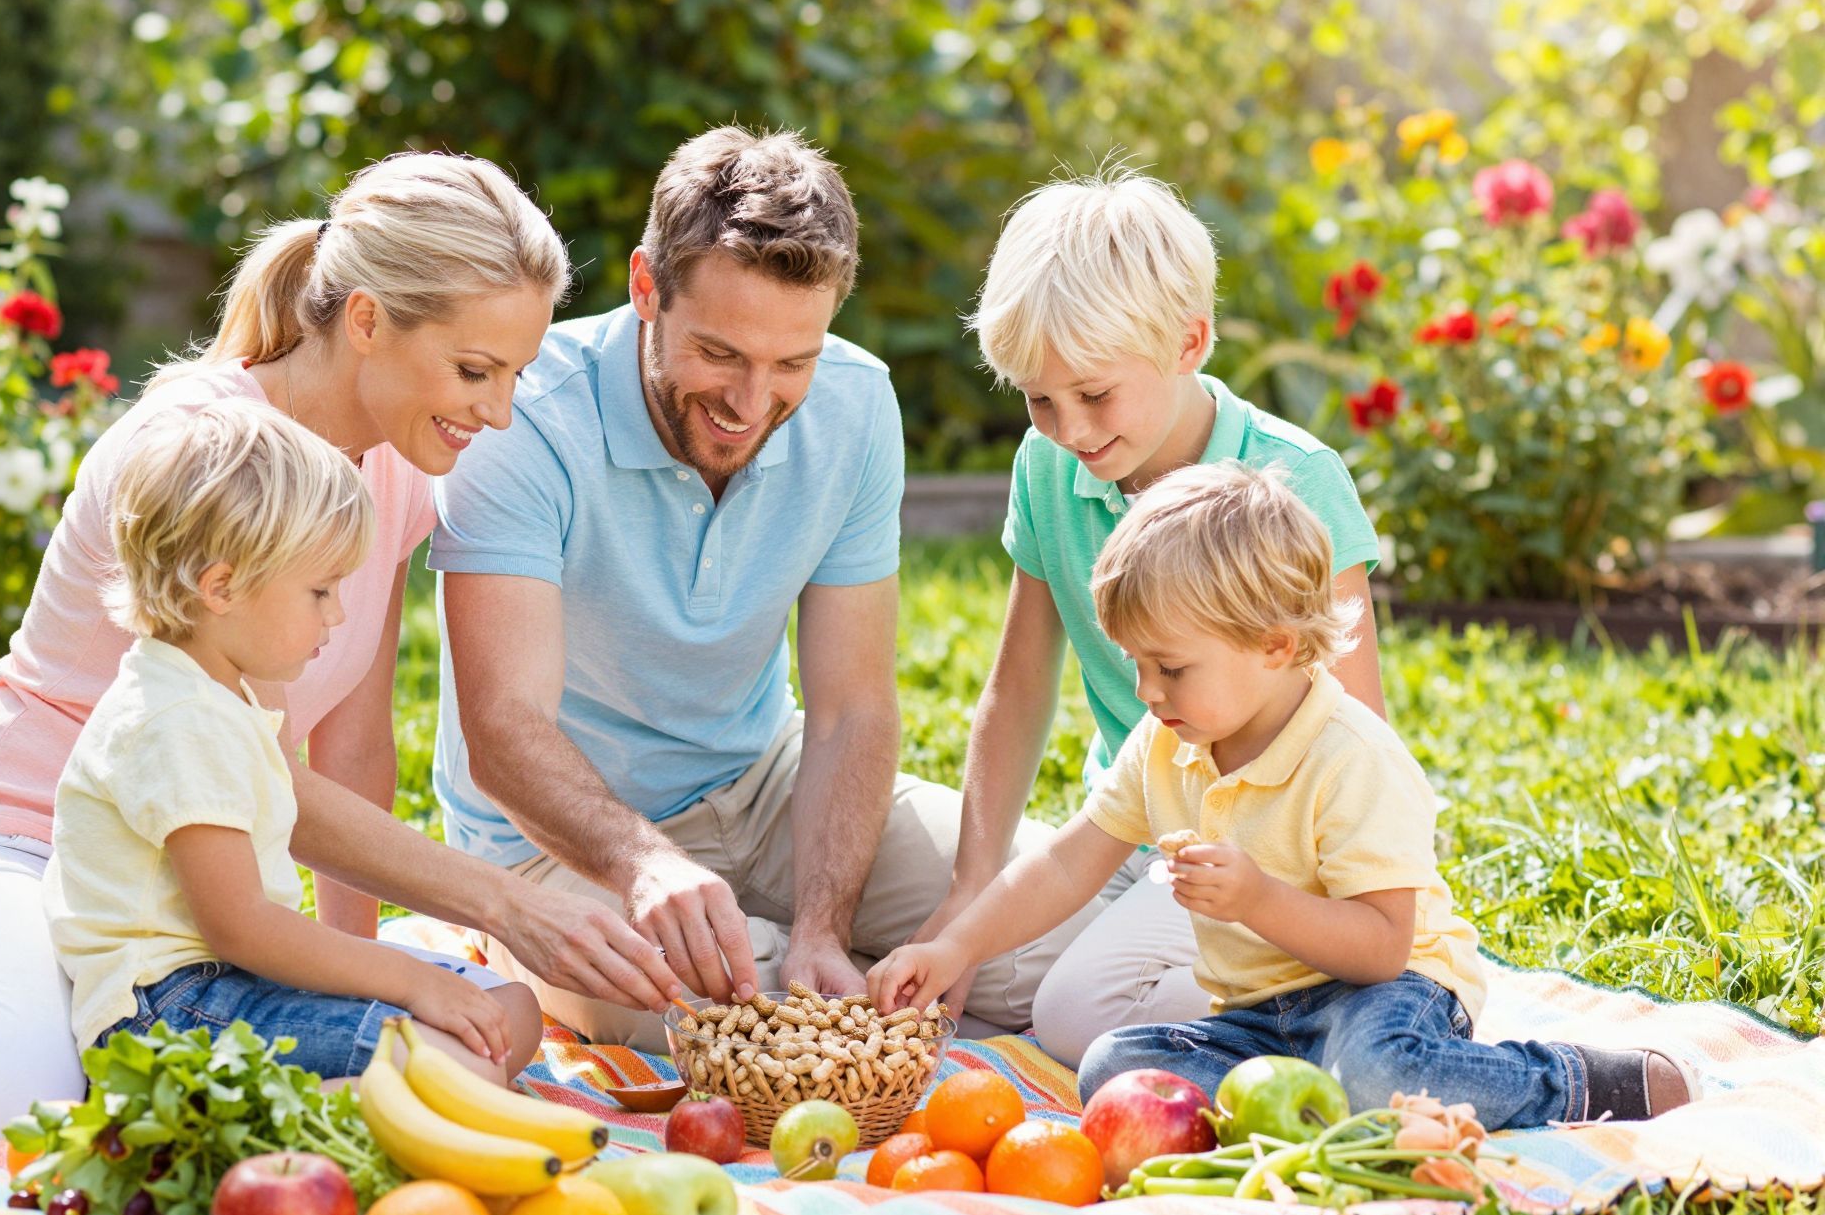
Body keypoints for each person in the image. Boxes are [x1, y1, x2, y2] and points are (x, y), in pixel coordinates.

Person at [0, 151, 677, 1136]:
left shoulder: (396, 477)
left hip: (193, 899)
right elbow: (235, 764)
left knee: (451, 1049)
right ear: (367, 321)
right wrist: (501, 905)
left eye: (514, 374)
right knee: (16, 1090)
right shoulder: (204, 464)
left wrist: (364, 995)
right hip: (17, 845)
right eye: (473, 370)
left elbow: (351, 748)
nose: (497, 411)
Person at [431, 126, 1099, 1049]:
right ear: (645, 288)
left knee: (1058, 936)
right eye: (721, 354)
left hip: (762, 782)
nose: (753, 404)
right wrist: (647, 866)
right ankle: (784, 976)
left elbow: (850, 710)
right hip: (556, 847)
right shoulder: (522, 418)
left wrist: (826, 922)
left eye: (793, 363)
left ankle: (817, 955)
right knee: (741, 1019)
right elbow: (503, 733)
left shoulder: (857, 406)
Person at [870, 466, 1696, 1126]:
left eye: (1171, 667)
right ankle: (1315, 1099)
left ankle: (1564, 1081)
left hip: (1390, 994)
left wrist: (1255, 898)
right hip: (1261, 1013)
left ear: (1274, 646)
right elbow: (1063, 864)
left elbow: (1380, 948)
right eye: (1136, 665)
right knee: (1112, 1070)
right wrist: (957, 948)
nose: (1147, 691)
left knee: (1378, 1070)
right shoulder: (1168, 740)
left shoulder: (1351, 757)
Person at [922, 166, 1389, 1069]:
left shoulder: (1297, 479)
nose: (1068, 429)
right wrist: (968, 895)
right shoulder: (1050, 466)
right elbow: (1018, 688)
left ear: (1189, 342)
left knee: (1068, 1015)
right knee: (979, 964)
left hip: (1276, 858)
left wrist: (1290, 900)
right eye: (1038, 398)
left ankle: (1344, 1001)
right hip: (1134, 833)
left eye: (1094, 395)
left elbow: (1356, 730)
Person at [47, 401, 539, 1081]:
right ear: (220, 586)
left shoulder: (218, 694)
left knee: (511, 1011)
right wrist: (407, 981)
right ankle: (365, 1117)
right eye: (320, 590)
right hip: (171, 1016)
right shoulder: (176, 721)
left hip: (238, 985)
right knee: (458, 1058)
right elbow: (240, 927)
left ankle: (368, 1098)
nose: (338, 614)